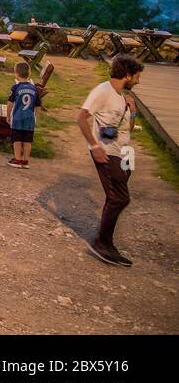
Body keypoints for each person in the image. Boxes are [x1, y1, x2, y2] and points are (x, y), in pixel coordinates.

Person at [78, 55, 143, 266]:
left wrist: (132, 113)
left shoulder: (122, 96)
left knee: (116, 195)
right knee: (119, 198)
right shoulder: (103, 91)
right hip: (107, 152)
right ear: (127, 74)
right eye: (137, 76)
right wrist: (95, 147)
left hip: (124, 153)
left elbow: (127, 130)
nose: (138, 81)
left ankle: (106, 241)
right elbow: (81, 117)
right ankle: (102, 243)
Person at [5, 61, 43, 169]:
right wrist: (36, 118)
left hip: (18, 118)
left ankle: (17, 159)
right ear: (29, 73)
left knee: (17, 140)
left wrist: (8, 116)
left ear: (16, 74)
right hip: (30, 119)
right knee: (27, 141)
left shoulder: (15, 88)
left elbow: (10, 104)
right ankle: (25, 161)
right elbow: (38, 106)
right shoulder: (34, 88)